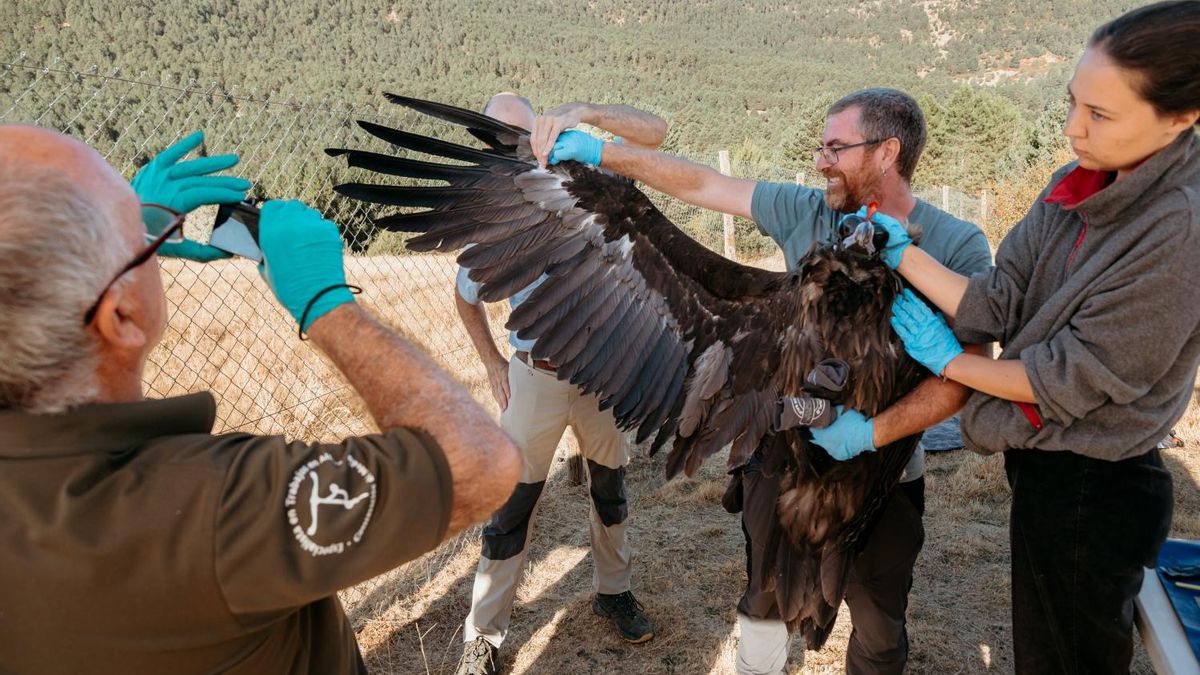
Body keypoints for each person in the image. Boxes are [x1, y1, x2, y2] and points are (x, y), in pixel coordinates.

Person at [0, 125, 521, 674]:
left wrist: (136, 230)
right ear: (121, 317)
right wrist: (326, 303)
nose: (150, 231)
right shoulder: (214, 510)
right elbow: (479, 463)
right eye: (137, 231)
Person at [542, 88, 993, 674]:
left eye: (836, 148)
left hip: (886, 467)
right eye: (821, 147)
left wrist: (869, 434)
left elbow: (968, 374)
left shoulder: (957, 244)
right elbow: (701, 184)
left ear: (887, 152)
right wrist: (600, 152)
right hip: (784, 456)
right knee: (763, 604)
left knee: (880, 625)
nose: (820, 161)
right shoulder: (806, 210)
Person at [879, 2, 1199, 672]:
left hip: (1097, 486)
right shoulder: (1074, 186)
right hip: (1045, 461)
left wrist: (949, 362)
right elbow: (996, 299)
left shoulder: (1179, 232)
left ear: (1181, 117)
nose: (1071, 129)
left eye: (1100, 115)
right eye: (1072, 103)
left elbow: (1068, 376)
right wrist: (900, 251)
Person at [453, 92, 668, 675]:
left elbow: (657, 131)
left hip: (601, 373)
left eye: (524, 134)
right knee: (511, 506)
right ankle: (485, 635)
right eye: (499, 140)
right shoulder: (494, 209)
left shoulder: (587, 173)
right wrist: (494, 364)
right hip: (535, 378)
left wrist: (584, 113)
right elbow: (465, 294)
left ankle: (613, 592)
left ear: (542, 128)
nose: (515, 149)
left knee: (610, 489)